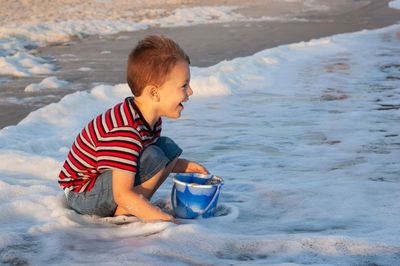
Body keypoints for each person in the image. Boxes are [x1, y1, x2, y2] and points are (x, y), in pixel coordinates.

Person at [58, 35, 209, 223]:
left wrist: (184, 166)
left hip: (104, 184)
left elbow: (140, 158)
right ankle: (125, 216)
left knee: (167, 148)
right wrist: (165, 221)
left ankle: (138, 206)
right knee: (154, 155)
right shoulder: (126, 131)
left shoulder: (150, 120)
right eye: (184, 85)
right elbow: (122, 193)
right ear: (154, 93)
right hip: (83, 195)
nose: (191, 91)